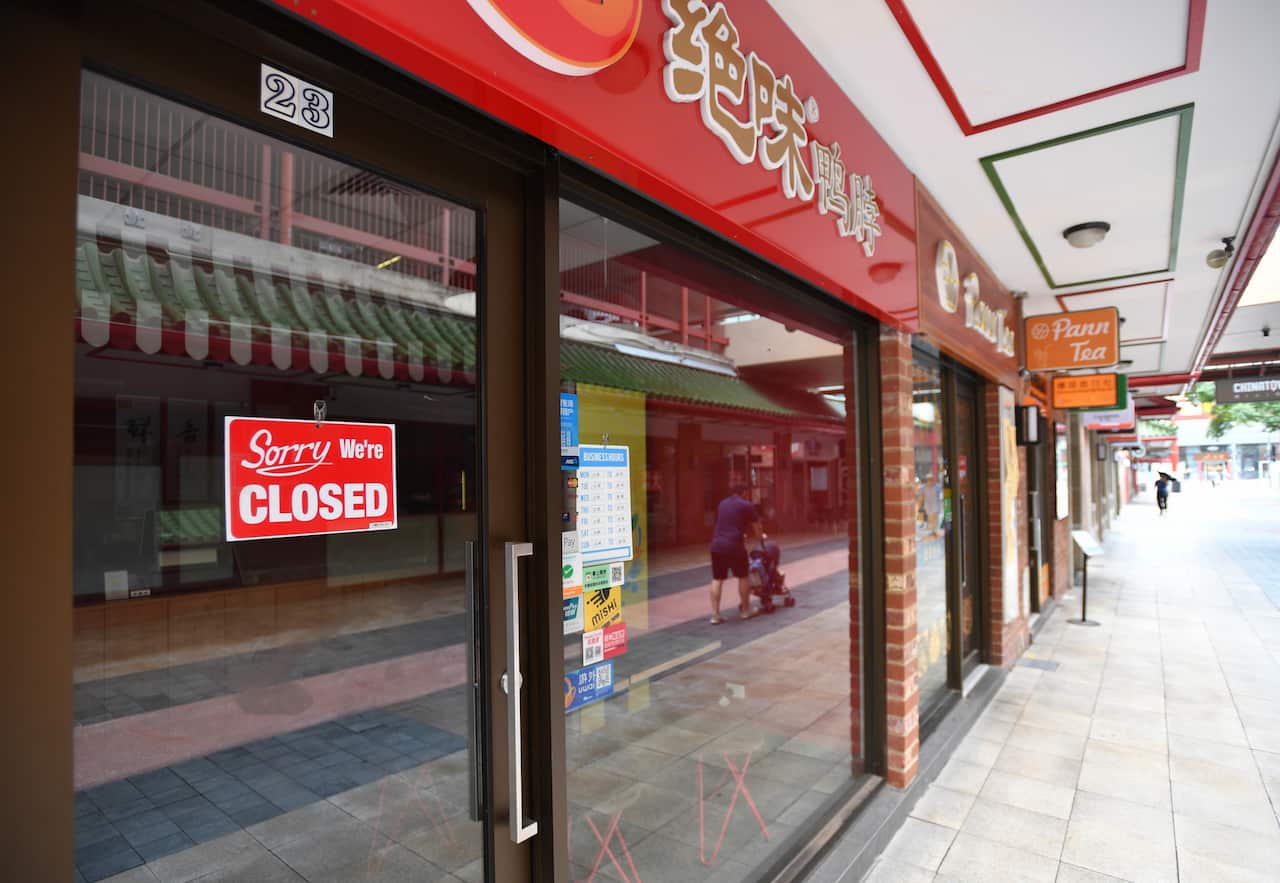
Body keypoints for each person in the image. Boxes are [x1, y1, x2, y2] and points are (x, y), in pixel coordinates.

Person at [709, 482, 762, 624]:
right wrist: (760, 537)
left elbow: (720, 523)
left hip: (717, 545)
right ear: (744, 492)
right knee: (743, 576)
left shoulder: (722, 504)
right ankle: (745, 610)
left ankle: (715, 615)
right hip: (734, 546)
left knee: (717, 578)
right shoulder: (746, 505)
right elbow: (757, 525)